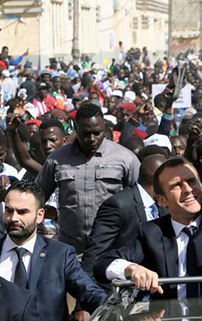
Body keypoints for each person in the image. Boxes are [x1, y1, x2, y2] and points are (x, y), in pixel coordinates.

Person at [93, 52, 202, 299]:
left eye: (191, 181)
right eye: (177, 185)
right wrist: (131, 269)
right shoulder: (151, 233)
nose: (188, 190)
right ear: (162, 200)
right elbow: (102, 265)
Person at [0, 181, 106, 321]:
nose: (13, 218)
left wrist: (117, 316)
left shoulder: (60, 255)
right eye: (9, 210)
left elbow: (90, 293)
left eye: (22, 212)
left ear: (40, 215)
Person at [36, 102, 140, 255]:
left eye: (97, 133)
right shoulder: (56, 159)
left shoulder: (125, 159)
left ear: (104, 128)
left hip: (112, 249)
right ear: (75, 129)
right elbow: (37, 197)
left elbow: (142, 202)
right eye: (85, 133)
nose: (91, 139)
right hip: (71, 249)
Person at [83, 154, 168, 279]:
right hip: (123, 286)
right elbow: (95, 254)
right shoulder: (119, 205)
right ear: (160, 180)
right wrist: (90, 294)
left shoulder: (164, 205)